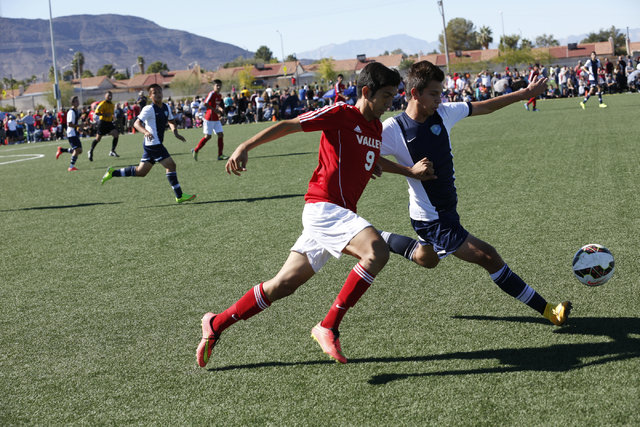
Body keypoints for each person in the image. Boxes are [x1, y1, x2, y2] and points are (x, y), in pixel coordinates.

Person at [196, 62, 435, 368]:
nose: (392, 101)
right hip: (323, 208)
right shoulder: (341, 114)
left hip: (337, 215)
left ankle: (216, 324)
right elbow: (291, 125)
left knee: (283, 284)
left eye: (394, 95)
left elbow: (374, 162)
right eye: (386, 95)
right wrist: (246, 145)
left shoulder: (375, 126)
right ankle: (328, 326)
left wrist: (409, 171)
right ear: (366, 92)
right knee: (375, 251)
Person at [377, 60, 572, 330]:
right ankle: (549, 310)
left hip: (437, 210)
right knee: (488, 256)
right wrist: (408, 171)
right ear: (415, 94)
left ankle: (380, 238)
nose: (439, 99)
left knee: (427, 260)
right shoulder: (393, 129)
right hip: (434, 217)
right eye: (434, 94)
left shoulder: (444, 113)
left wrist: (524, 95)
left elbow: (487, 106)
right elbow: (366, 156)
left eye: (440, 93)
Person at [100, 84, 196, 204]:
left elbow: (171, 120)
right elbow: (136, 123)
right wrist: (145, 131)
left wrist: (175, 133)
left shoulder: (166, 107)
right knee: (171, 165)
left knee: (141, 172)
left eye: (159, 92)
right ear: (150, 96)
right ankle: (179, 195)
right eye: (154, 93)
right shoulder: (149, 109)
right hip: (153, 144)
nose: (158, 94)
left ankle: (112, 172)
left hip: (153, 143)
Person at [192, 79, 228, 161]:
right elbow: (205, 103)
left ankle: (220, 155)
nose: (218, 87)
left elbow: (216, 105)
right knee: (208, 137)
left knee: (221, 135)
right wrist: (214, 110)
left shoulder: (219, 95)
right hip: (209, 118)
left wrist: (220, 108)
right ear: (214, 86)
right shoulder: (211, 93)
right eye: (217, 85)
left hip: (216, 118)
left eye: (220, 85)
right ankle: (196, 150)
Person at [88, 91, 120, 160]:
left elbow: (110, 114)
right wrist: (105, 115)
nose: (110, 97)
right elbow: (96, 112)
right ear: (105, 96)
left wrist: (112, 117)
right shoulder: (102, 104)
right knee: (98, 139)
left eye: (111, 95)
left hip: (109, 123)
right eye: (108, 96)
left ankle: (112, 151)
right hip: (102, 123)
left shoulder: (112, 104)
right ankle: (91, 151)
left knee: (116, 134)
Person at [55, 96, 83, 171]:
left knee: (79, 150)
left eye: (78, 100)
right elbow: (69, 124)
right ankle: (71, 167)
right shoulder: (71, 112)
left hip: (74, 132)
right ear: (72, 103)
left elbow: (74, 123)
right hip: (71, 133)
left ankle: (61, 150)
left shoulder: (76, 111)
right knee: (77, 150)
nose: (78, 102)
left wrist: (78, 128)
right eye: (76, 101)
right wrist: (80, 125)